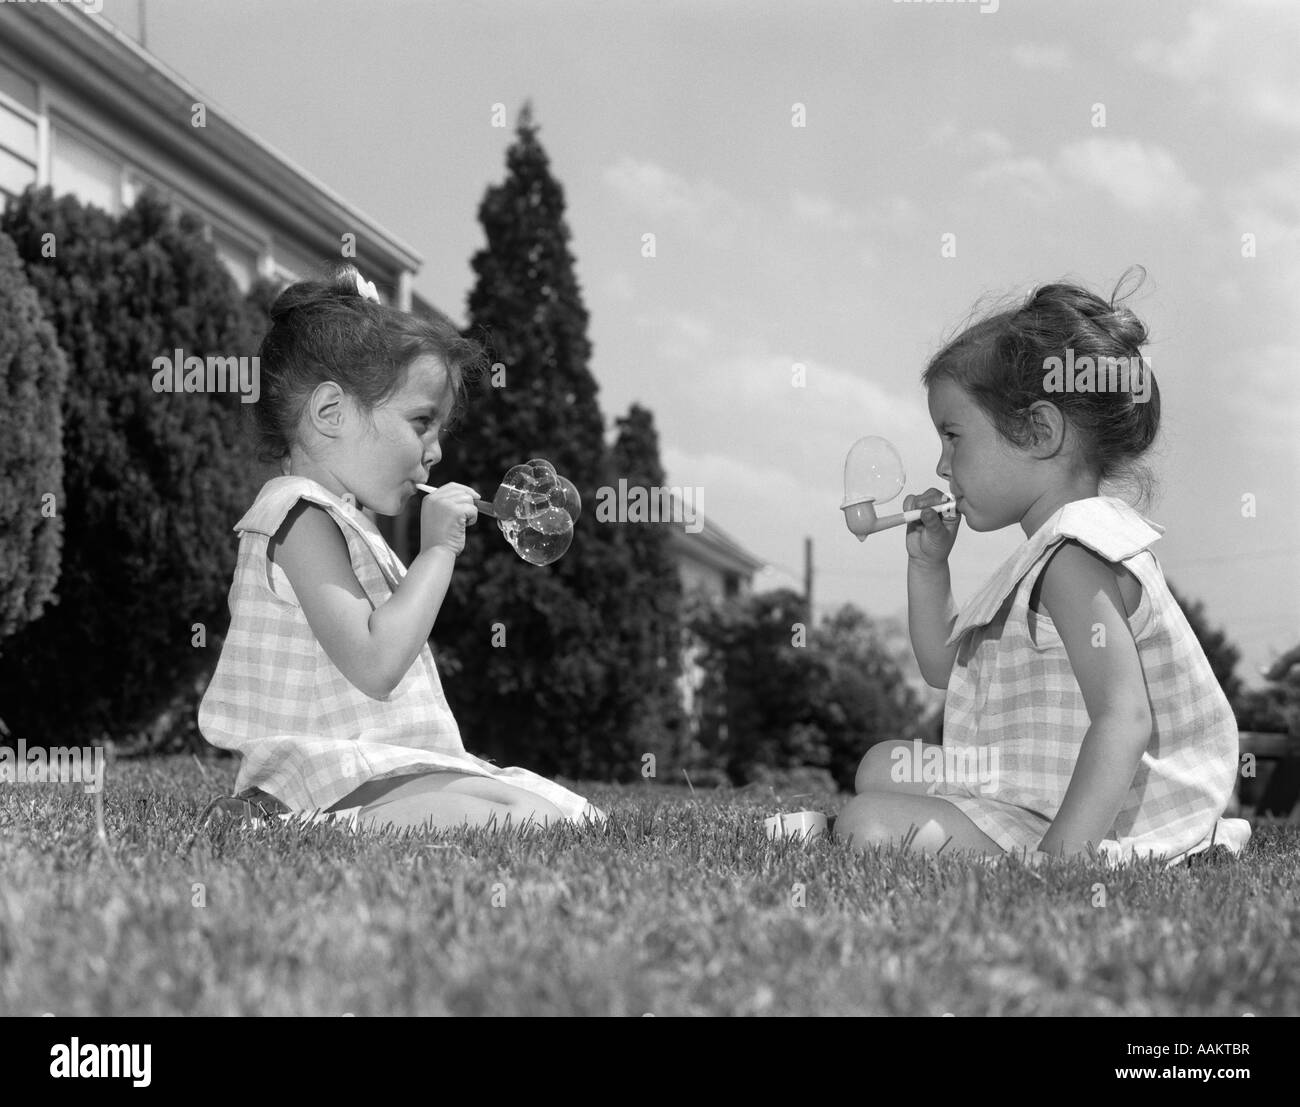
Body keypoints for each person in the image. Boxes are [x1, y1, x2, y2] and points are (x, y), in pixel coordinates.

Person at [835, 270, 1250, 865]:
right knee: (880, 766)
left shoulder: (1075, 559)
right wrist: (929, 567)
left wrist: (1059, 862)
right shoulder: (1050, 552)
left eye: (954, 437)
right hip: (1043, 782)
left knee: (867, 823)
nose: (942, 464)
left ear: (1038, 431)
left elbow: (1124, 718)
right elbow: (941, 668)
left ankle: (1030, 848)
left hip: (1099, 820)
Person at [198, 265, 603, 834]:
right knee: (522, 817)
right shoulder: (296, 515)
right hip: (323, 774)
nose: (435, 451)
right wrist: (437, 552)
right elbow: (375, 663)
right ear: (330, 413)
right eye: (421, 422)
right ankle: (275, 826)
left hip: (366, 769)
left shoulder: (343, 520)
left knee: (564, 814)